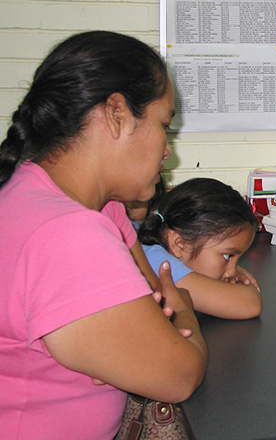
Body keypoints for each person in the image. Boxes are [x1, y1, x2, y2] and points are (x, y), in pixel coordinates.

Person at [0, 31, 208, 440]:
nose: (167, 150)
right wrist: (183, 311)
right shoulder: (67, 233)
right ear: (116, 113)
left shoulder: (28, 192)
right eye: (163, 124)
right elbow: (178, 373)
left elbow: (145, 317)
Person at [136, 177, 262, 319]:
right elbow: (248, 304)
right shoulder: (157, 263)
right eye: (228, 256)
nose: (231, 273)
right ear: (179, 244)